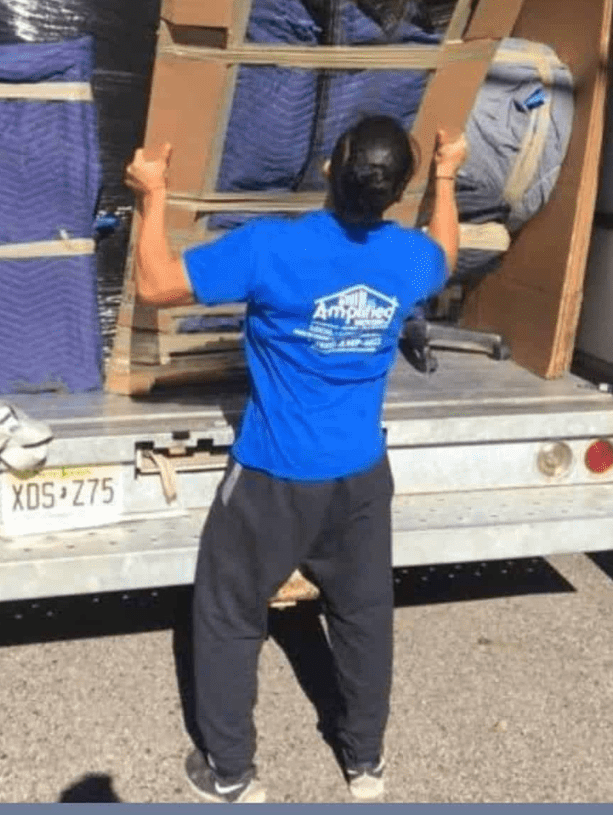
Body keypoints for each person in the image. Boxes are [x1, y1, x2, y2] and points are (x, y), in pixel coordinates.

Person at [124, 115, 468, 803]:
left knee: (228, 613)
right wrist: (448, 175)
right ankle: (365, 763)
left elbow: (159, 285)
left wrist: (150, 194)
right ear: (395, 194)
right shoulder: (408, 259)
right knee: (364, 617)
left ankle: (229, 772)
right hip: (362, 478)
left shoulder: (270, 249)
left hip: (274, 475)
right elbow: (448, 252)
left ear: (326, 171)